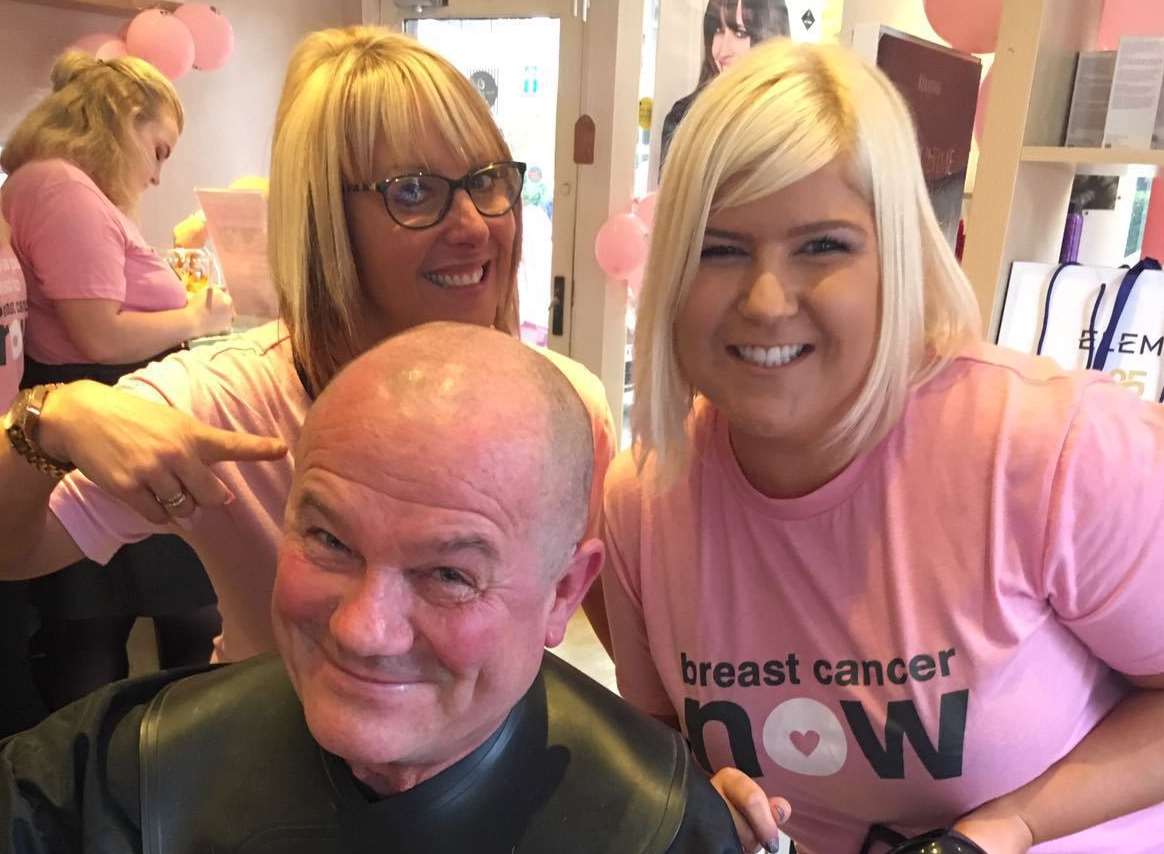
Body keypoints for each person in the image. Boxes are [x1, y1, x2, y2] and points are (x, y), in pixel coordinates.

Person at [605, 38, 1164, 854]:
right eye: (719, 249)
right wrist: (698, 795)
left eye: (823, 245)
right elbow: (659, 741)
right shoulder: (644, 497)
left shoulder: (1056, 452)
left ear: (897, 258)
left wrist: (1014, 824)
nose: (765, 301)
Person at [0, 26, 615, 667]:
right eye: (413, 191)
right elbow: (15, 550)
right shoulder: (226, 402)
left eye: (486, 181)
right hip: (267, 757)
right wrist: (48, 421)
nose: (473, 226)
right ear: (327, 220)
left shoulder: (569, 407)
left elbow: (633, 667)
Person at [0, 323, 738, 854]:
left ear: (563, 593)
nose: (361, 630)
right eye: (328, 541)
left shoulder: (662, 827)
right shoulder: (123, 774)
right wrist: (45, 419)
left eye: (449, 575)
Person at [0, 51, 232, 711]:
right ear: (125, 121)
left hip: (91, 407)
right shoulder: (63, 190)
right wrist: (199, 315)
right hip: (101, 410)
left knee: (100, 626)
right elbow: (97, 333)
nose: (159, 174)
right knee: (112, 628)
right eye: (158, 150)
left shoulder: (45, 186)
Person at [659, 0, 789, 169]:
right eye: (718, 30)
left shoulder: (789, 126)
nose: (722, 50)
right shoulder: (683, 117)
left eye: (740, 33)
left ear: (771, 37)